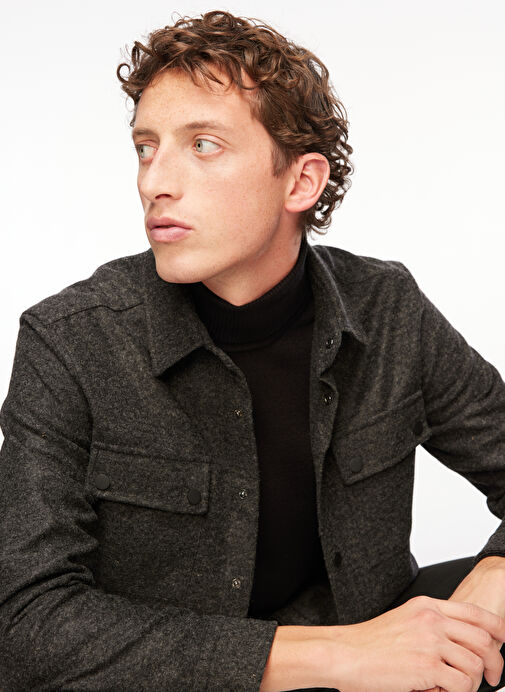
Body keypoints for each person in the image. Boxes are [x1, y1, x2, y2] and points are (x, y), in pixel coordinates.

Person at [0, 9, 504, 692]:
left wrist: (493, 583)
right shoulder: (70, 341)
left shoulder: (388, 309)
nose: (153, 182)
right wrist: (342, 655)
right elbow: (25, 624)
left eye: (203, 145)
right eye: (145, 147)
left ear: (300, 182)